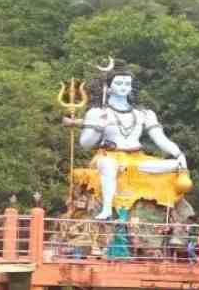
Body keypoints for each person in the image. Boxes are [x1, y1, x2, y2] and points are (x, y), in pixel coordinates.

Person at [64, 67, 187, 220]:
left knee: (175, 164)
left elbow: (160, 139)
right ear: (108, 88)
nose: (124, 87)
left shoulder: (144, 114)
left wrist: (179, 154)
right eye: (119, 83)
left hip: (137, 159)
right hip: (108, 156)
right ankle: (107, 208)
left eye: (127, 84)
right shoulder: (97, 113)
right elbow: (85, 144)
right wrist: (98, 128)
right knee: (108, 165)